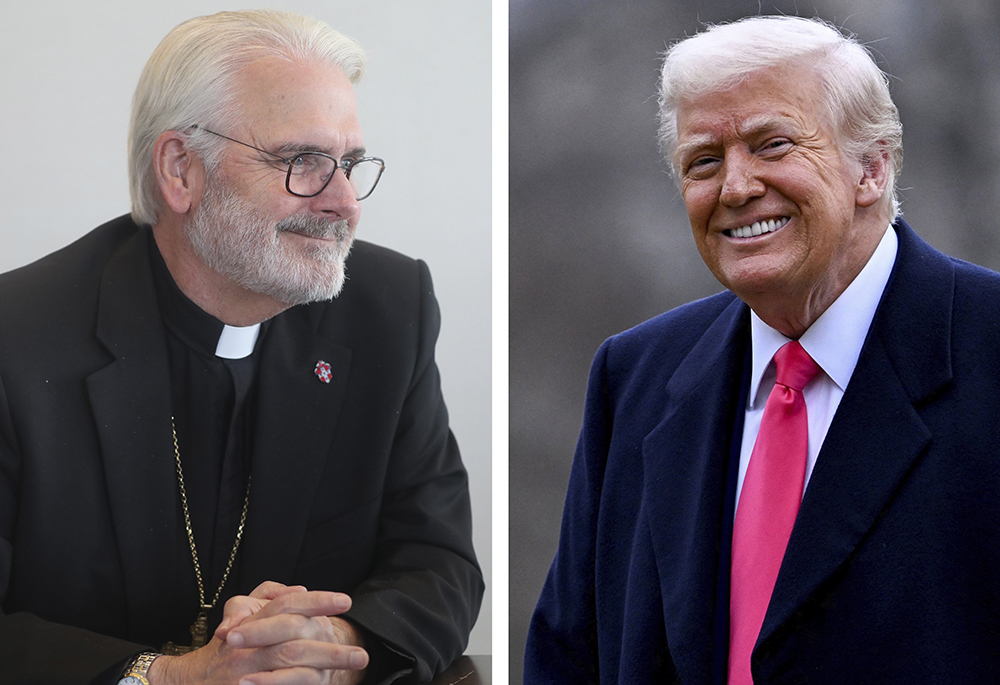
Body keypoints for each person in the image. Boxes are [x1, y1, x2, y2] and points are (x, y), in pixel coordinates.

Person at [0, 9, 482, 685]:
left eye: (348, 163)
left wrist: (329, 646)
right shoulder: (16, 339)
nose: (344, 201)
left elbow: (440, 560)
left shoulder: (389, 309)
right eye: (303, 162)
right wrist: (171, 678)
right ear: (180, 170)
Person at [525, 15, 1000, 685]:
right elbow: (567, 656)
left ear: (871, 167)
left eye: (772, 145)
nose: (736, 187)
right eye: (704, 161)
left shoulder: (987, 347)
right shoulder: (634, 376)